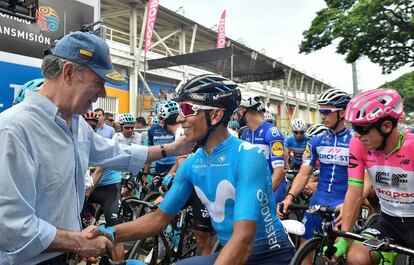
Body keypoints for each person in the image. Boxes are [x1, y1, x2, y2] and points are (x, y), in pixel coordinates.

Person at [0, 31, 193, 265]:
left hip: (63, 256)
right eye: (99, 82)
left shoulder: (76, 124)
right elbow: (11, 225)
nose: (103, 93)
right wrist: (78, 242)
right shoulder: (14, 130)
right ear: (69, 72)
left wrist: (173, 149)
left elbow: (116, 153)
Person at [100, 74, 294, 265]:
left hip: (269, 257)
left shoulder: (248, 157)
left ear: (216, 115)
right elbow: (158, 219)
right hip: (231, 254)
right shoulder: (192, 163)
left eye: (187, 109)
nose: (180, 118)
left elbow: (243, 239)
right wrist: (109, 233)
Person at [327, 88, 414, 265]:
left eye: (362, 129)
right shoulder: (358, 145)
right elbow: (355, 191)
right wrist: (343, 239)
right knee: (357, 257)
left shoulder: (411, 147)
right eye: (354, 128)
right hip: (388, 222)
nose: (357, 135)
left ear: (387, 127)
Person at [278, 88, 352, 250]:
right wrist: (289, 197)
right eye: (321, 111)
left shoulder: (356, 142)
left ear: (343, 112)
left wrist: (350, 204)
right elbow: (304, 172)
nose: (322, 115)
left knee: (344, 253)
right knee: (304, 249)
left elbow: (363, 180)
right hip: (318, 201)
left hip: (344, 201)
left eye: (327, 111)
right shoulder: (316, 141)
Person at [239, 95, 286, 204]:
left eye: (241, 111)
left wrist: (265, 196)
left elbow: (278, 172)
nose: (239, 115)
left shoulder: (272, 132)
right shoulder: (244, 133)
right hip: (254, 186)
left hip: (273, 187)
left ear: (249, 111)